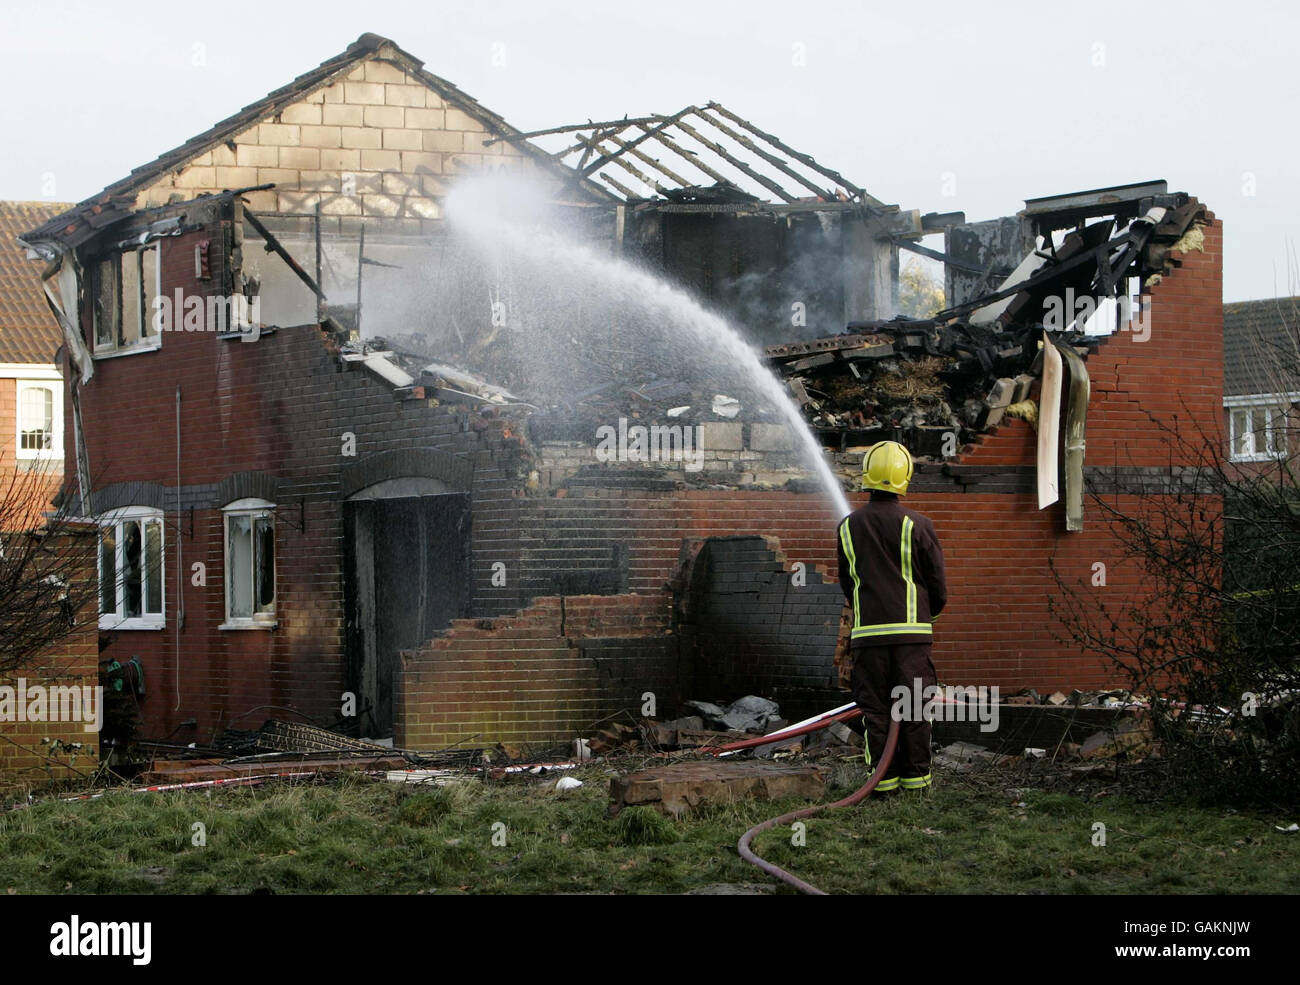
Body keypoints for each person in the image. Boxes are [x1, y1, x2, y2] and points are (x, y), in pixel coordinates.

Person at [835, 440, 947, 793]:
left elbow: (847, 583)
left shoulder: (848, 527)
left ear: (866, 474)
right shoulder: (920, 525)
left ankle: (881, 784)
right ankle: (917, 782)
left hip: (869, 638)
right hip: (913, 638)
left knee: (877, 711)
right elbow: (937, 584)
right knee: (914, 708)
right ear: (905, 477)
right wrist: (928, 616)